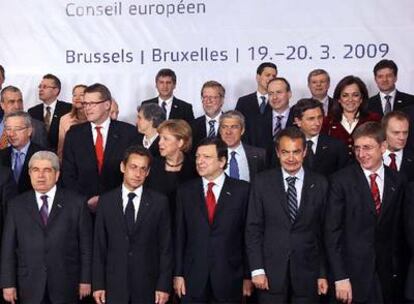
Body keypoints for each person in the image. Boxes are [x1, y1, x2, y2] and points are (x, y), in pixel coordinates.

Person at [246, 127, 328, 303]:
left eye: (296, 152)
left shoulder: (320, 183)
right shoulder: (262, 182)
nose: (291, 158)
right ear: (277, 152)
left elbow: (324, 232)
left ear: (305, 151)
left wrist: (323, 273)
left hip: (308, 275)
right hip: (270, 274)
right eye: (285, 152)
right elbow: (253, 229)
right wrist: (257, 269)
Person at [325, 121, 404, 303]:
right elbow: (332, 233)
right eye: (357, 148)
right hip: (351, 278)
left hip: (387, 278)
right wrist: (340, 277)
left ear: (383, 146)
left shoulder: (398, 181)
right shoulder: (340, 181)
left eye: (367, 148)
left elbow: (399, 231)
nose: (361, 154)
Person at [0, 151, 92, 304]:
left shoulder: (76, 203)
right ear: (29, 174)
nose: (40, 176)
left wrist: (86, 279)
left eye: (47, 170)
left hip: (66, 284)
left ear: (57, 175)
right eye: (35, 170)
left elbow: (86, 246)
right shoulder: (16, 205)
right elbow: (8, 248)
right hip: (29, 285)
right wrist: (8, 283)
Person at [174, 137, 252, 303]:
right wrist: (178, 274)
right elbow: (180, 236)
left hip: (230, 277)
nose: (200, 161)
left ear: (222, 161)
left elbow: (248, 236)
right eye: (197, 157)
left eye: (206, 157)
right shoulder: (185, 191)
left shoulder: (242, 191)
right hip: (193, 278)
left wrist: (247, 275)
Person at [93, 145, 172, 304]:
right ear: (123, 167)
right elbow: (99, 246)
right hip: (114, 285)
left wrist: (163, 285)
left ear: (148, 172)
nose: (138, 174)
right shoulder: (106, 201)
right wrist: (98, 284)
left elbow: (166, 247)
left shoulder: (159, 202)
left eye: (143, 169)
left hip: (148, 286)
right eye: (133, 167)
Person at [62, 83, 138, 210]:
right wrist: (84, 201)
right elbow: (68, 174)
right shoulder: (74, 134)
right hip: (83, 207)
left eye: (92, 103)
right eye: (85, 104)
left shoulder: (128, 133)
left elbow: (134, 172)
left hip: (119, 206)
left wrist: (110, 200)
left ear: (107, 105)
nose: (87, 108)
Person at [145, 119, 197, 217]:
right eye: (159, 138)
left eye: (165, 139)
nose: (160, 143)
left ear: (180, 142)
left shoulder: (194, 167)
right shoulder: (152, 165)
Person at [322, 75, 381, 157]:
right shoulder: (327, 122)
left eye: (355, 95)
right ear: (339, 99)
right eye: (345, 95)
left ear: (361, 99)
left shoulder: (374, 119)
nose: (350, 99)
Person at [293, 98, 349, 177]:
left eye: (320, 117)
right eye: (311, 119)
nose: (317, 123)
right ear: (298, 121)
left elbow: (344, 177)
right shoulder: (288, 145)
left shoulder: (337, 146)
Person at [246, 77, 295, 166]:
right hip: (264, 175)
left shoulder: (299, 120)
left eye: (279, 92)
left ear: (289, 94)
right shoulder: (255, 123)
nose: (274, 97)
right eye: (271, 93)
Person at [0, 111, 44, 194]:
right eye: (8, 129)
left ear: (29, 131)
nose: (12, 134)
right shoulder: (1, 156)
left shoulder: (43, 155)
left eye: (17, 129)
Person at [219, 110, 267, 182]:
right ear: (220, 131)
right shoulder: (211, 155)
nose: (228, 132)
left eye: (234, 127)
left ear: (242, 130)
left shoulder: (260, 155)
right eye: (224, 127)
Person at [28, 74, 72, 151]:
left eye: (44, 87)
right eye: (40, 86)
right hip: (38, 157)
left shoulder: (68, 109)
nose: (41, 89)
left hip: (61, 155)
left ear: (56, 90)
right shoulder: (32, 111)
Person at [236, 62, 277, 129]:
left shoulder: (278, 101)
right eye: (268, 75)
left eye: (274, 76)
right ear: (258, 77)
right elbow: (237, 125)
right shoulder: (243, 102)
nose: (271, 78)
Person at [56, 84, 88, 161]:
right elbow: (61, 147)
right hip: (70, 161)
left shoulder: (94, 117)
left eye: (81, 95)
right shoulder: (65, 119)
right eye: (74, 95)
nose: (77, 98)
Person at [191, 80, 225, 149]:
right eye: (205, 97)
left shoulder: (232, 123)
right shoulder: (192, 126)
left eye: (213, 97)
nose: (208, 101)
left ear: (222, 100)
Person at [382, 111, 414, 182]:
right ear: (384, 132)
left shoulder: (411, 157)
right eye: (396, 133)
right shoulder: (371, 157)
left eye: (405, 133)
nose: (402, 137)